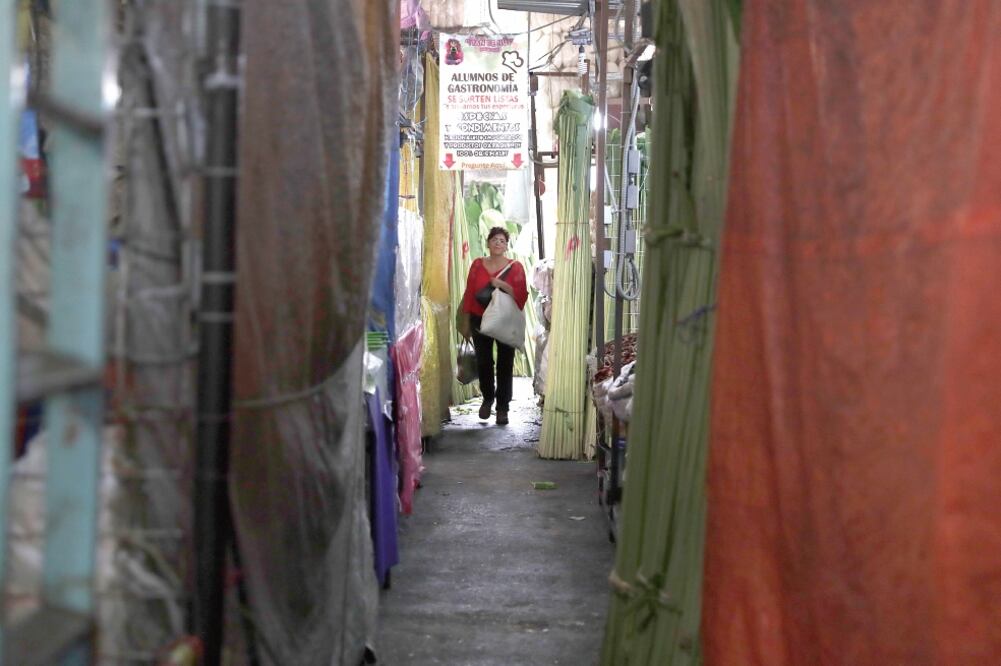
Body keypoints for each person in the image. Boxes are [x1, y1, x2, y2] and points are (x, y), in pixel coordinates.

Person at [459, 227, 528, 425]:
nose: (498, 243)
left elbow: (521, 296)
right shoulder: (477, 264)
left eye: (502, 241)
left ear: (507, 246)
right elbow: (470, 292)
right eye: (494, 240)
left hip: (505, 320)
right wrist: (465, 321)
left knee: (505, 363)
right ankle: (488, 398)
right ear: (488, 243)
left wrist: (502, 285)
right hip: (479, 318)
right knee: (484, 362)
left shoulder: (515, 267)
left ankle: (503, 408)